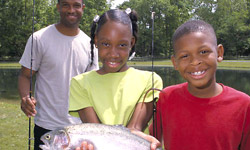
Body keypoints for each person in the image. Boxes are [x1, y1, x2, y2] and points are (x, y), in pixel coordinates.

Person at [69, 8, 163, 150]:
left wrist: (136, 134)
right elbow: (97, 133)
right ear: (96, 41)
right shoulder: (79, 83)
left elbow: (134, 129)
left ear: (132, 43)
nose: (113, 54)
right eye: (106, 44)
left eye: (122, 45)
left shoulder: (150, 80)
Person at [149, 20, 250, 150]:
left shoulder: (244, 104)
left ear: (219, 53)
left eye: (203, 52)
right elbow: (152, 141)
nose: (195, 62)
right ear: (175, 62)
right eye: (185, 56)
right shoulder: (166, 97)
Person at [18, 0, 99, 149]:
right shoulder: (38, 38)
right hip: (46, 127)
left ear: (83, 8)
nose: (71, 10)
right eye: (66, 5)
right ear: (58, 7)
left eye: (76, 5)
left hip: (79, 129)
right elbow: (25, 76)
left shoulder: (91, 46)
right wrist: (25, 97)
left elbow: (93, 90)